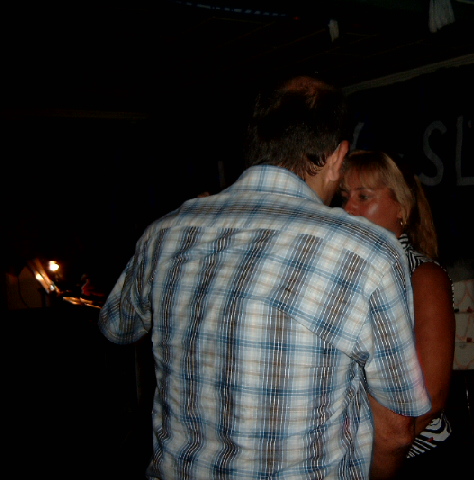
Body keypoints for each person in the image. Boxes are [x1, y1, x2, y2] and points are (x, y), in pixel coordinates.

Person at [98, 75, 431, 480]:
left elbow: (117, 326)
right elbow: (395, 430)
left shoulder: (167, 232)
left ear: (255, 145)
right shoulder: (367, 252)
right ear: (337, 157)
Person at [340, 150, 456, 475]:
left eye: (364, 196)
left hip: (413, 457)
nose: (348, 208)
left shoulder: (424, 276)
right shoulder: (346, 273)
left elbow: (432, 396)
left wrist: (377, 461)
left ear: (402, 208)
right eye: (344, 197)